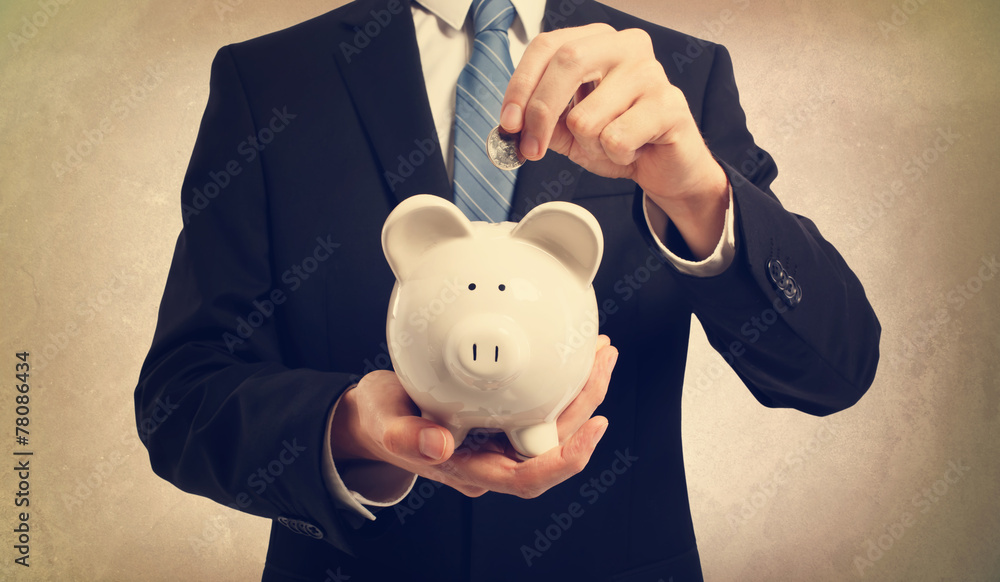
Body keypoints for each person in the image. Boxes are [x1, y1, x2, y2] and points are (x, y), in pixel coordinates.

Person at [134, 0, 881, 580]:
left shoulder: (675, 76)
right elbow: (182, 398)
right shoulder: (269, 82)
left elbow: (834, 370)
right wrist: (349, 431)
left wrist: (698, 196)